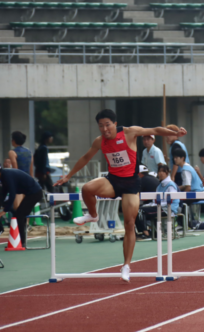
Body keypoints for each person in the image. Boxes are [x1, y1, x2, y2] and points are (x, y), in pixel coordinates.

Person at [54, 109, 187, 282]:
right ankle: (93, 215)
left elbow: (155, 130)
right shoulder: (99, 141)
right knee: (87, 189)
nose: (104, 129)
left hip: (131, 183)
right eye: (100, 126)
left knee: (129, 224)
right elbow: (86, 157)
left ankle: (126, 265)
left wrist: (175, 133)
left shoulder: (129, 132)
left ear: (115, 124)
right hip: (112, 180)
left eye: (107, 125)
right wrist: (68, 176)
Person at [0, 166, 42, 246]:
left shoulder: (7, 175)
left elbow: (12, 194)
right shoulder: (3, 176)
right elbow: (3, 193)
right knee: (18, 214)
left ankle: (21, 242)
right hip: (30, 193)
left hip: (35, 193)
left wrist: (4, 211)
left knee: (19, 216)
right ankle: (19, 239)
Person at [135, 164, 180, 238]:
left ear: (167, 173)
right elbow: (155, 200)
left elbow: (171, 199)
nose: (161, 173)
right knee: (136, 209)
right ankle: (147, 231)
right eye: (160, 171)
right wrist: (150, 205)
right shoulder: (159, 186)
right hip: (160, 206)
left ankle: (146, 233)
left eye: (163, 171)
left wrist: (155, 205)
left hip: (168, 208)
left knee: (140, 211)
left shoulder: (171, 185)